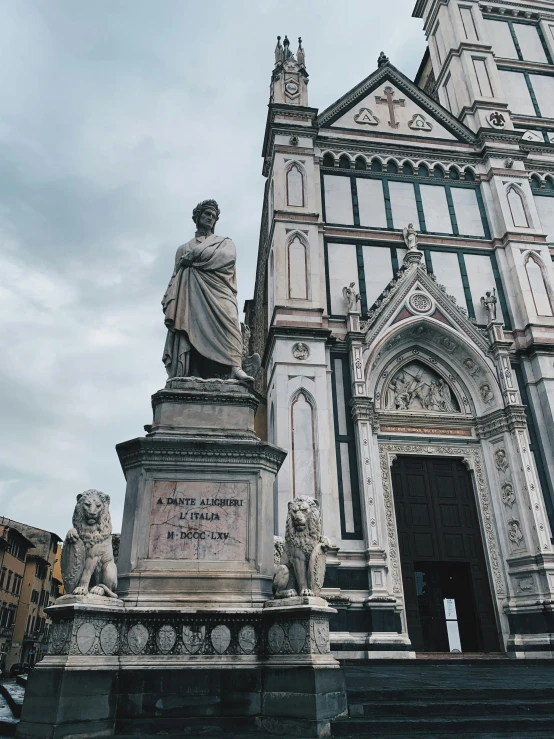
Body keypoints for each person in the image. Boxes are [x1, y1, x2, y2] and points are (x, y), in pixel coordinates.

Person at [162, 200, 252, 381]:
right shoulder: (183, 248)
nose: (210, 218)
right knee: (189, 326)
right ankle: (191, 371)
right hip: (191, 293)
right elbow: (176, 275)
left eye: (213, 216)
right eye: (207, 214)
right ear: (197, 217)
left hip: (220, 290)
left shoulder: (224, 243)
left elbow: (227, 258)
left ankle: (235, 367)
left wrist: (194, 256)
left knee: (232, 320)